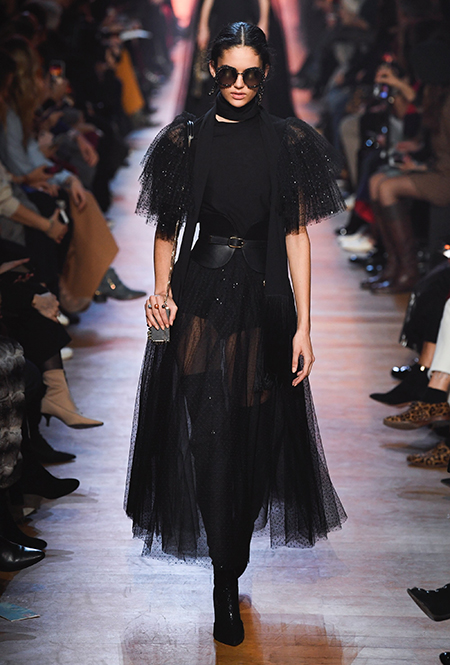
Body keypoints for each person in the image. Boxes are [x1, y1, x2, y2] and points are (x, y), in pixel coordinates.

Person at [125, 22, 346, 647]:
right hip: (198, 294)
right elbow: (167, 229)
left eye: (251, 73)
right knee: (206, 430)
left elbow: (297, 236)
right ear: (212, 72)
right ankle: (224, 579)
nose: (240, 83)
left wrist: (306, 326)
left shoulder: (289, 141)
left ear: (266, 73)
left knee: (254, 431)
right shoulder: (186, 139)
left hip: (264, 300)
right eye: (229, 73)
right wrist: (162, 290)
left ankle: (233, 548)